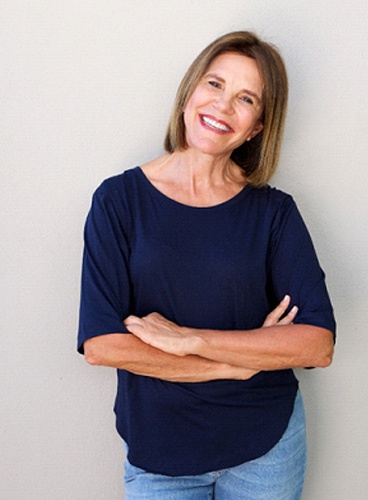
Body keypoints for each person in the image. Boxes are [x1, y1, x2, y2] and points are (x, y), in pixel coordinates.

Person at [78, 30, 336, 499]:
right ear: (189, 92)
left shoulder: (273, 213)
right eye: (215, 85)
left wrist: (193, 341)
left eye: (245, 99)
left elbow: (316, 344)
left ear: (257, 126)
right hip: (161, 455)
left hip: (267, 448)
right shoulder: (118, 201)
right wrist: (231, 366)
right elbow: (102, 345)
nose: (222, 107)